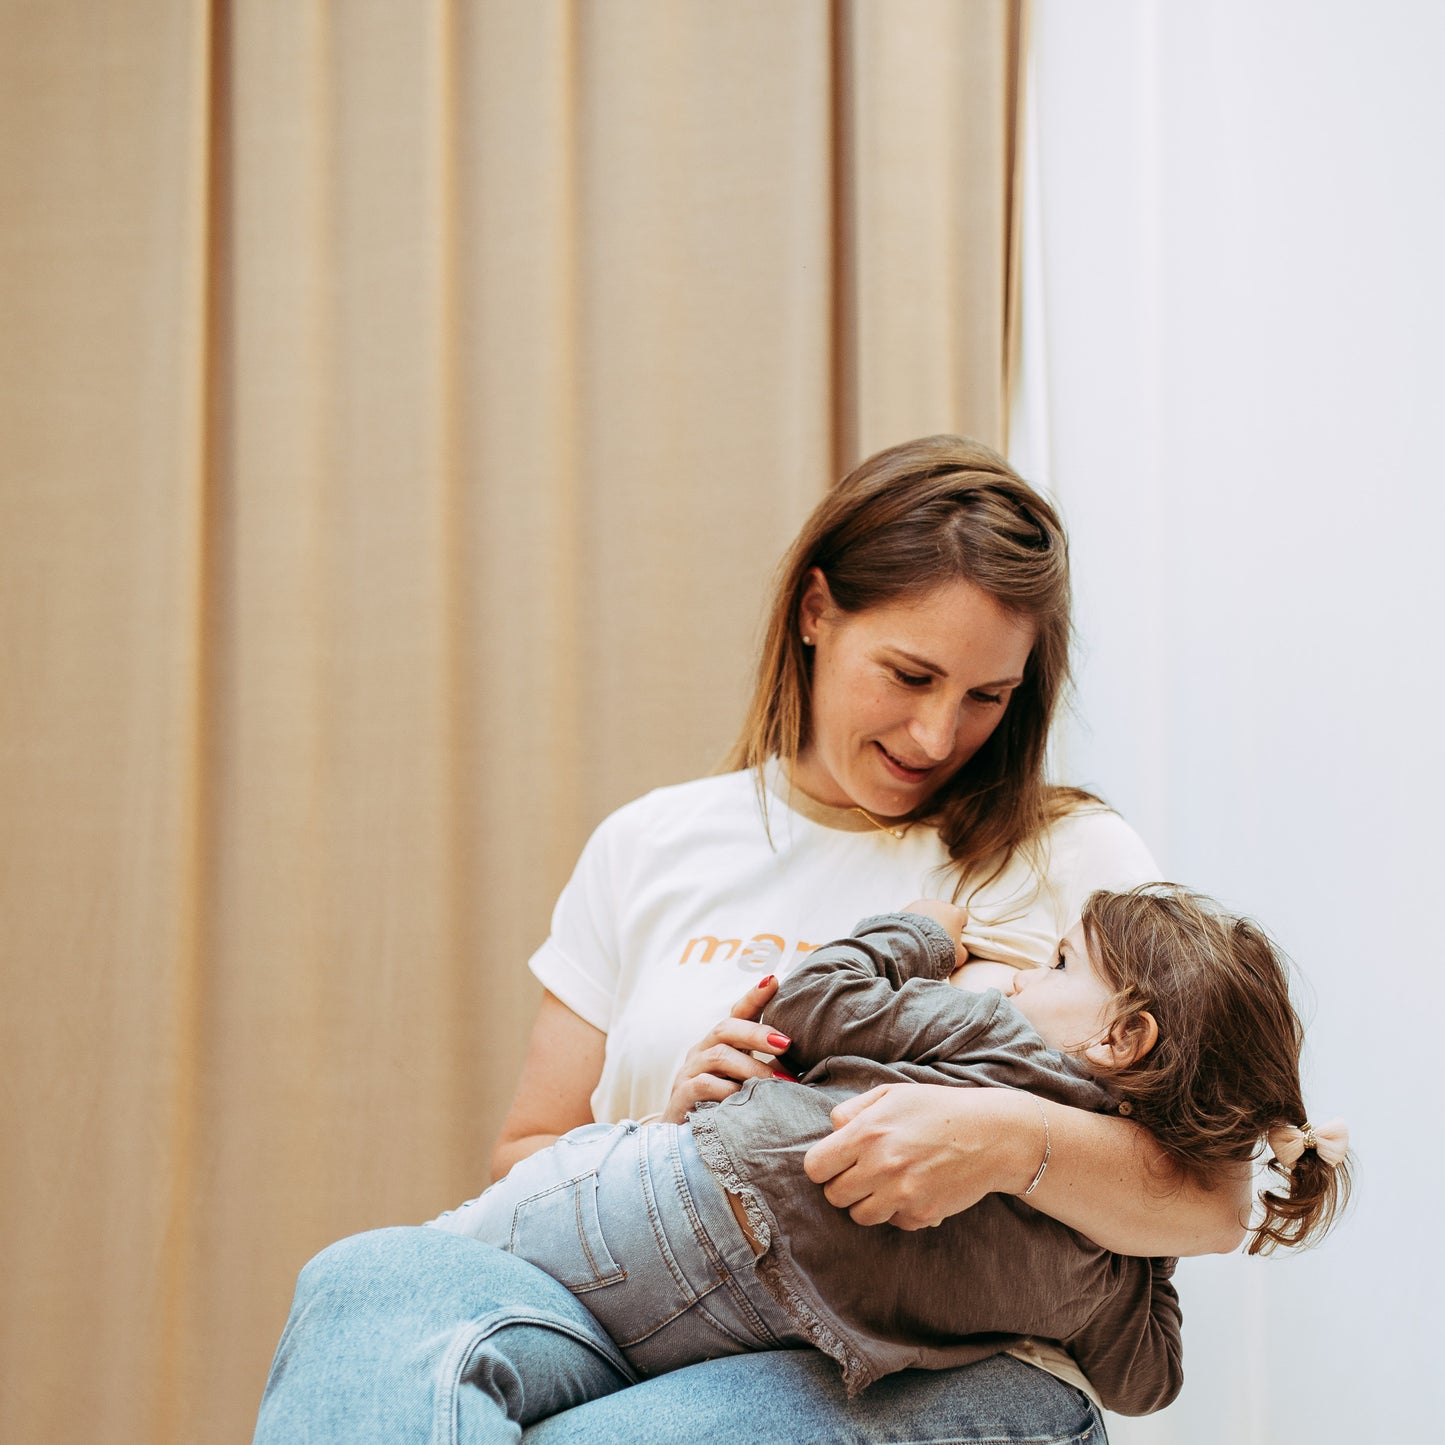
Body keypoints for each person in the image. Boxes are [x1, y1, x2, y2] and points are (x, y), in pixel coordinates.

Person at [254, 436, 1260, 1445]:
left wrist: (1000, 1141)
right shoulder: (650, 841)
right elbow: (523, 1154)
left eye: (985, 696)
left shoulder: (1075, 859)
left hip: (926, 1364)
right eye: (907, 675)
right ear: (816, 612)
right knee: (362, 1279)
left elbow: (1213, 1201)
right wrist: (679, 1114)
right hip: (640, 1305)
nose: (934, 734)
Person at [424, 886, 1350, 1422]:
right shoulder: (1106, 1278)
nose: (1026, 972)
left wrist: (922, 932)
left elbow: (805, 998)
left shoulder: (992, 1032)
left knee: (427, 1273)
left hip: (666, 1202)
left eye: (1061, 964)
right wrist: (1137, 1237)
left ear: (1124, 1037)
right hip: (756, 1306)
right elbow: (1147, 1378)